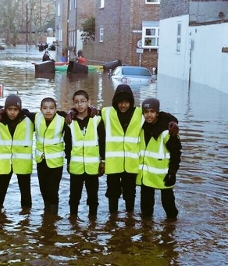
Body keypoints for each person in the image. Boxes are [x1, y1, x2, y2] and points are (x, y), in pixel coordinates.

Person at [101, 83, 179, 214]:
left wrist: (173, 121)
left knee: (130, 194)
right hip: (113, 164)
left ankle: (129, 220)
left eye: (126, 102)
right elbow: (88, 113)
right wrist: (72, 111)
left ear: (131, 102)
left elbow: (159, 115)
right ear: (115, 102)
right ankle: (112, 220)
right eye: (120, 102)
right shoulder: (106, 112)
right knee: (112, 194)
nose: (123, 105)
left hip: (131, 165)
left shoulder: (139, 113)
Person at [137, 98, 181, 220]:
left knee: (169, 207)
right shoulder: (141, 128)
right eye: (146, 112)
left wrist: (172, 173)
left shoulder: (168, 131)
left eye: (152, 111)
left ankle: (171, 230)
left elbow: (176, 154)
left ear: (157, 113)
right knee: (145, 211)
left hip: (164, 175)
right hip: (146, 177)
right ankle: (146, 232)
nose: (149, 115)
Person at [0, 94, 34, 211]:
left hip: (22, 162)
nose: (12, 112)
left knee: (26, 194)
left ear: (20, 110)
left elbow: (50, 116)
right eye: (9, 109)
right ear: (5, 109)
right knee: (0, 191)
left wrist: (71, 111)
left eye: (15, 109)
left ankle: (26, 217)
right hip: (5, 163)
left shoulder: (29, 120)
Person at [64, 89, 105, 219]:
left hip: (93, 167)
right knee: (74, 197)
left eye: (83, 101)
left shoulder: (97, 119)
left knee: (93, 197)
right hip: (76, 167)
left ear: (89, 102)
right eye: (76, 102)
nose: (80, 105)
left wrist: (103, 161)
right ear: (73, 104)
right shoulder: (70, 121)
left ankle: (92, 222)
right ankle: (73, 221)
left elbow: (103, 142)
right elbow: (68, 144)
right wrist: (68, 161)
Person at [31, 97, 67, 214]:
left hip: (56, 163)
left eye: (51, 108)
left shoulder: (63, 120)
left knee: (53, 190)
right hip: (41, 161)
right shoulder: (36, 118)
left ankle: (53, 215)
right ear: (40, 109)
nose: (48, 111)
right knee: (43, 189)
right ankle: (47, 213)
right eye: (45, 108)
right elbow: (21, 112)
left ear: (56, 109)